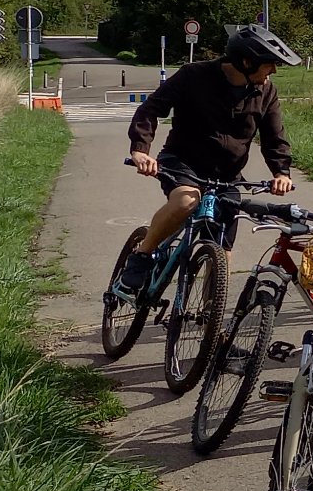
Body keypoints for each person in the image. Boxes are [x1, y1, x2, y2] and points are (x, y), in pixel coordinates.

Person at [119, 23, 299, 295]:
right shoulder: (194, 75)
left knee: (222, 255)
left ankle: (208, 326)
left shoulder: (266, 92)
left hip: (227, 176)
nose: (273, 71)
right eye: (269, 64)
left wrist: (281, 172)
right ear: (247, 62)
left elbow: (275, 137)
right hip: (183, 163)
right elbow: (151, 109)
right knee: (186, 200)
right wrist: (141, 149)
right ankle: (142, 255)